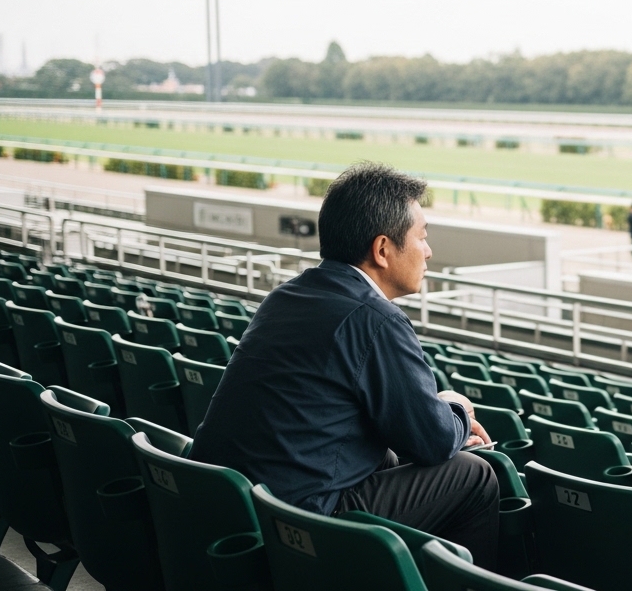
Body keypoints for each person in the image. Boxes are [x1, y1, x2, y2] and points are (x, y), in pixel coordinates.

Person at [190, 162, 499, 566]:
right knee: (475, 474)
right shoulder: (375, 318)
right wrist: (456, 407)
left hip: (227, 505)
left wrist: (439, 415)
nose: (428, 251)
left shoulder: (286, 296)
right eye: (422, 237)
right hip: (299, 520)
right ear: (382, 250)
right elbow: (434, 440)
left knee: (385, 454)